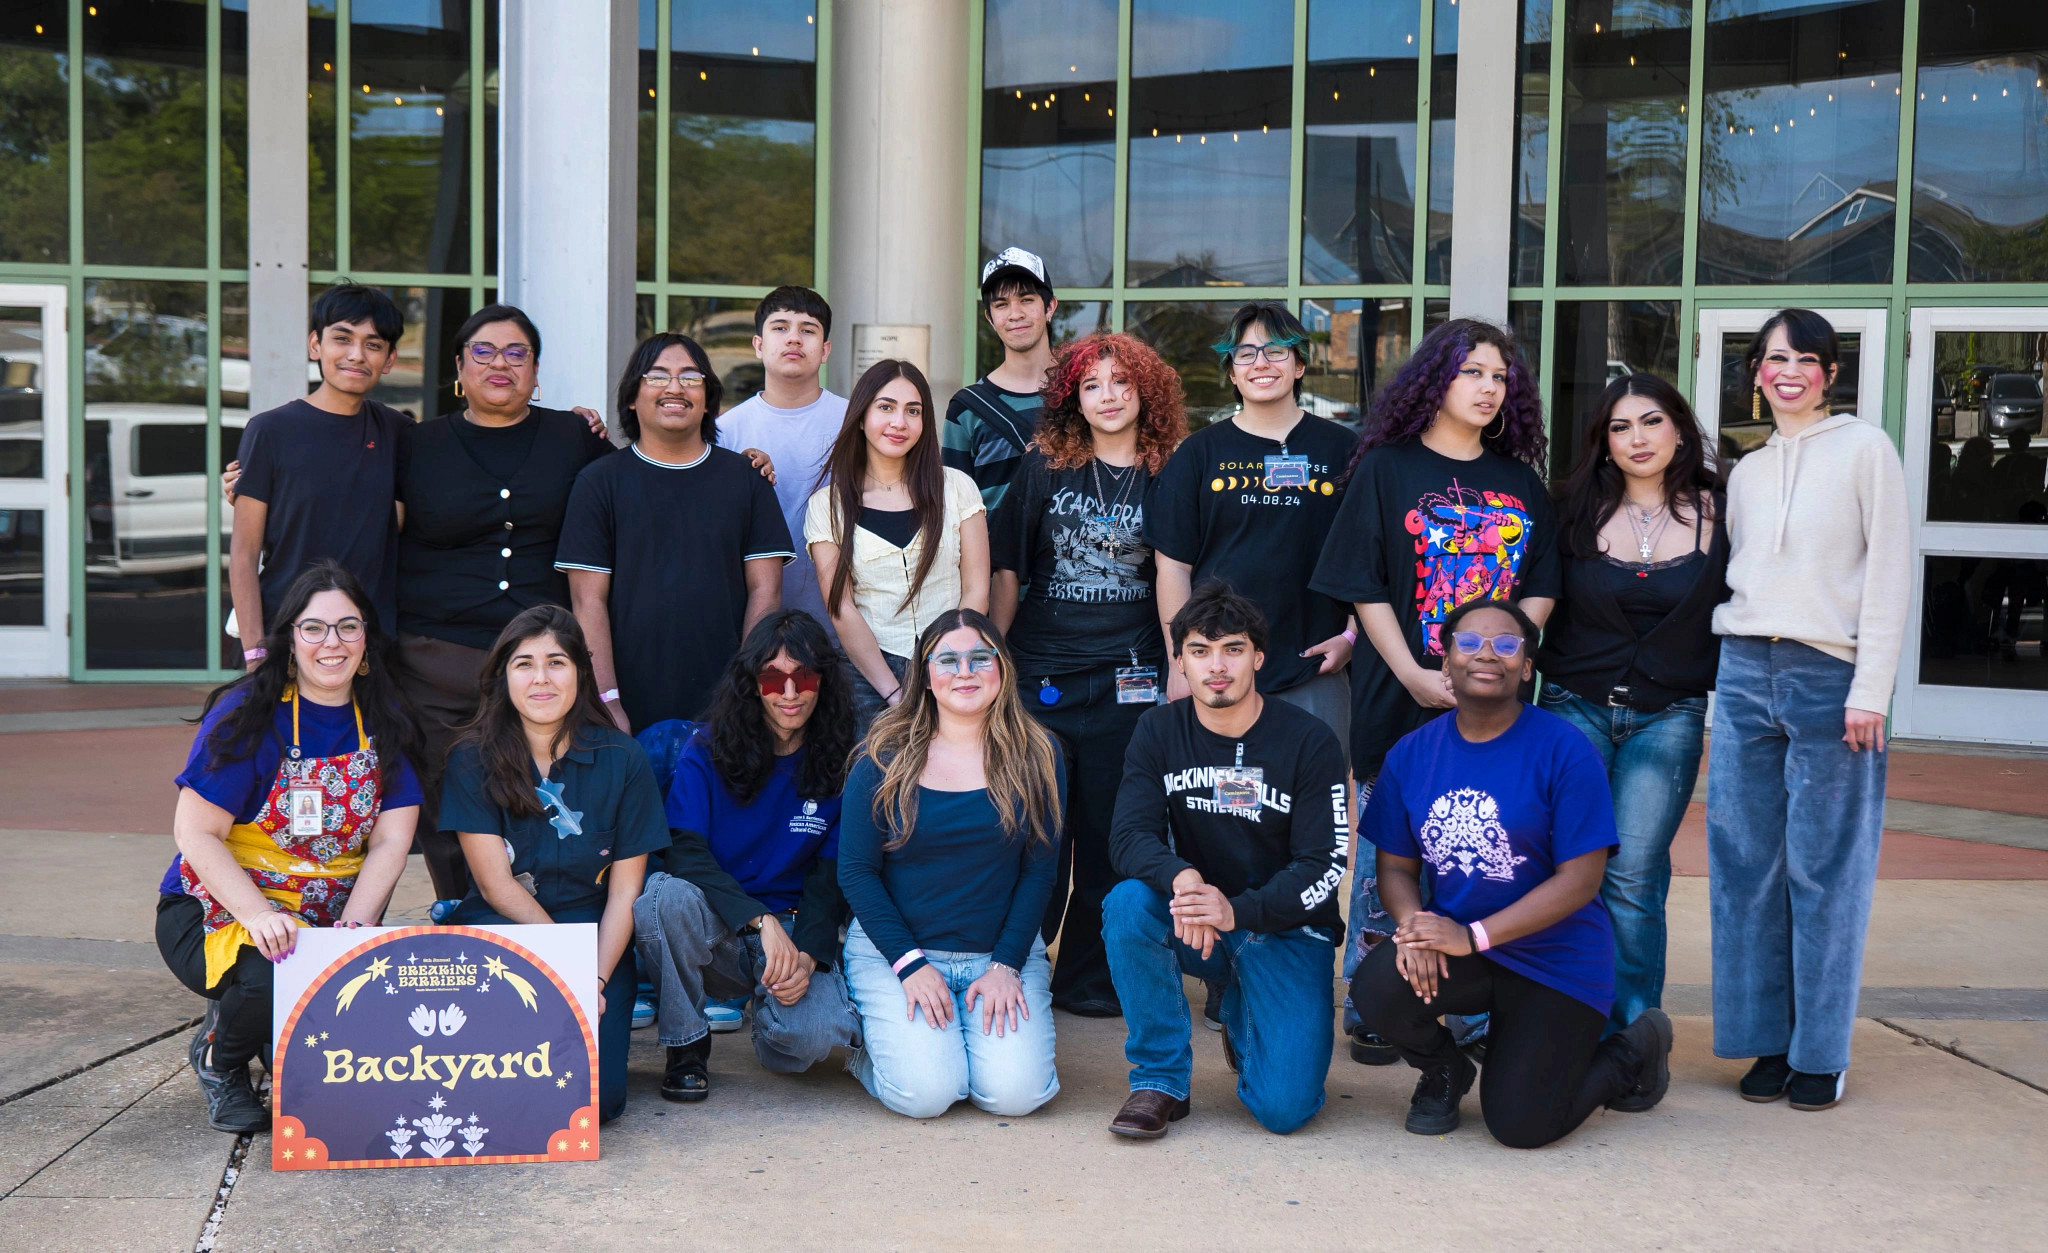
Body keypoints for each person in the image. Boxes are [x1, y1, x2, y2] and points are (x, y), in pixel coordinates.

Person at [1308, 316, 1558, 1065]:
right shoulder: (1386, 469)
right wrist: (1417, 672)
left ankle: (1480, 999)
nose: (1488, 388)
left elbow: (1541, 585)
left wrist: (1501, 666)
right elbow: (1364, 585)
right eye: (1472, 373)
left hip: (1498, 710)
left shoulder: (1519, 481)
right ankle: (1377, 996)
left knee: (1490, 848)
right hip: (1402, 695)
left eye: (1499, 377)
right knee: (1394, 847)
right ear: (1435, 381)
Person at [1351, 598, 1675, 1147]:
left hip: (1554, 960)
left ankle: (1631, 1050)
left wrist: (1470, 935)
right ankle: (1444, 1069)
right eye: (1470, 642)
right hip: (1463, 951)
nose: (1487, 655)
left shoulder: (1565, 749)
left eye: (1507, 644)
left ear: (1527, 666)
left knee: (1521, 1126)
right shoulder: (1412, 754)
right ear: (1446, 658)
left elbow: (1581, 881)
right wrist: (1415, 928)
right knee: (1378, 985)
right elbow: (1396, 869)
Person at [1708, 308, 1909, 1112]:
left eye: (1806, 358)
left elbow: (1892, 570)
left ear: (1829, 371)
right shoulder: (1748, 470)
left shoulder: (1868, 449)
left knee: (1825, 869)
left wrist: (1872, 689)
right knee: (1745, 865)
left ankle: (1820, 1051)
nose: (1788, 370)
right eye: (1773, 357)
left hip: (1831, 674)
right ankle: (1766, 1039)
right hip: (1745, 668)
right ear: (1756, 371)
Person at [156, 561, 423, 1134]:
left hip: (331, 911)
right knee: (270, 972)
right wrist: (257, 914)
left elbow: (392, 838)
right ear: (290, 638)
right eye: (314, 628)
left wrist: (356, 924)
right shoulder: (249, 714)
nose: (333, 643)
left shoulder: (386, 718)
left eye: (349, 627)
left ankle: (265, 1035)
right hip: (221, 907)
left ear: (368, 639)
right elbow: (194, 833)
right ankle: (220, 1061)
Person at [1101, 583, 1348, 1139]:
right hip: (1198, 921)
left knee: (1284, 1110)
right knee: (1129, 905)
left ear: (1258, 657)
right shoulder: (1159, 729)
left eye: (1233, 649)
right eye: (1200, 650)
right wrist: (1183, 878)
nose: (1217, 667)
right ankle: (1160, 1080)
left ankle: (1241, 1009)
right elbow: (1128, 836)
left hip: (1284, 928)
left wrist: (1238, 911)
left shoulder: (1309, 741)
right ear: (1180, 661)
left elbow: (1328, 863)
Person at [385, 303, 614, 900]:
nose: (501, 364)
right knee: (447, 795)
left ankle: (547, 923)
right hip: (437, 657)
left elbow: (637, 492)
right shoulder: (416, 444)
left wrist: (743, 463)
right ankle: (460, 913)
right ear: (460, 367)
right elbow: (350, 505)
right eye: (483, 352)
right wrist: (255, 488)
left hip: (542, 657)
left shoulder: (573, 437)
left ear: (536, 371)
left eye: (518, 353)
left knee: (549, 791)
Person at [990, 332, 1187, 1017]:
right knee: (1035, 830)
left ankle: (1088, 978)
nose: (1108, 396)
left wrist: (1178, 666)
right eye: (1093, 384)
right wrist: (992, 652)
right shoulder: (1044, 464)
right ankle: (1015, 965)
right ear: (1073, 396)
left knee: (1110, 838)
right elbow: (1009, 565)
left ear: (1147, 392)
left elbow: (1174, 574)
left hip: (1130, 682)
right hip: (1040, 677)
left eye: (1122, 383)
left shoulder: (1169, 471)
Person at [1538, 372, 1729, 1039]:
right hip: (1573, 706)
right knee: (1568, 865)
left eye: (1650, 421)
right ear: (1603, 440)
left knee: (1633, 871)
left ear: (1679, 428)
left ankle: (1629, 1035)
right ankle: (1563, 1021)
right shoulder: (1567, 508)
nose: (1637, 438)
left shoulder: (1725, 510)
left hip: (1668, 713)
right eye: (1620, 427)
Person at [439, 605, 671, 1123]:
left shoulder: (624, 759)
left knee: (595, 1101)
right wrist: (561, 974)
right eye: (524, 664)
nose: (540, 678)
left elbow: (623, 895)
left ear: (581, 673)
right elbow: (497, 884)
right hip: (503, 932)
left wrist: (591, 978)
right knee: (481, 1083)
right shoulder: (471, 757)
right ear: (503, 675)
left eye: (556, 662)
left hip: (597, 946)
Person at [837, 610, 1066, 1120]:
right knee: (927, 1096)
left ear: (1002, 668)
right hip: (899, 955)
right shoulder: (883, 755)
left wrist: (1006, 965)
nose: (965, 672)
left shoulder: (1038, 754)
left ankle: (951, 1041)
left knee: (1017, 1096)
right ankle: (870, 1053)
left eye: (979, 658)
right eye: (948, 660)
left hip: (999, 955)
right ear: (925, 674)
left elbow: (1040, 871)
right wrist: (910, 966)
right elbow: (855, 872)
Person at [634, 611, 862, 1102]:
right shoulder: (707, 748)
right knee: (660, 898)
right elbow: (683, 851)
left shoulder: (845, 758)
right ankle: (687, 1045)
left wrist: (810, 956)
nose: (789, 692)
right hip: (718, 921)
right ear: (751, 683)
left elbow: (832, 872)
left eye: (803, 676)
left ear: (822, 680)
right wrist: (759, 920)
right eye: (772, 678)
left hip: (795, 925)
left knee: (810, 1041)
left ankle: (772, 1016)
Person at [556, 333, 794, 733]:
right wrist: (607, 702)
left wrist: (745, 691)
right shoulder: (599, 483)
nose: (674, 388)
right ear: (632, 397)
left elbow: (766, 593)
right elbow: (587, 601)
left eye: (690, 378)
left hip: (726, 706)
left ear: (708, 400)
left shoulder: (746, 480)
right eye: (657, 376)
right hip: (627, 707)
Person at [1147, 301, 1354, 736]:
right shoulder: (1199, 453)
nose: (1261, 363)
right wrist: (1180, 661)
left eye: (1277, 350)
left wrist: (1351, 638)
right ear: (1232, 373)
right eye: (1246, 354)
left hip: (1313, 666)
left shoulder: (1343, 449)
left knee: (1317, 796)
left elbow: (1370, 557)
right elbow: (1173, 566)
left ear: (1299, 366)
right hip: (1217, 670)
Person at [806, 359, 990, 735]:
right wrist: (894, 692)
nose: (899, 422)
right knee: (875, 784)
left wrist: (951, 664)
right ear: (861, 416)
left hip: (954, 668)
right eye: (885, 407)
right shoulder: (827, 505)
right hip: (867, 677)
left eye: (913, 411)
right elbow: (841, 608)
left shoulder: (956, 488)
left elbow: (976, 589)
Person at [228, 283, 407, 652]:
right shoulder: (270, 431)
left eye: (373, 344)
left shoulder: (399, 431)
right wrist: (255, 653)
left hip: (371, 641)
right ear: (316, 345)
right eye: (342, 338)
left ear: (389, 359)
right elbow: (244, 555)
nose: (356, 355)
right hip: (288, 635)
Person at [715, 286, 849, 641]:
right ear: (758, 345)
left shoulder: (856, 421)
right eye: (780, 327)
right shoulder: (725, 431)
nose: (794, 338)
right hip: (754, 622)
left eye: (807, 329)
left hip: (847, 622)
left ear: (825, 350)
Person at [944, 247, 1059, 512]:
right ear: (990, 318)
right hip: (994, 553)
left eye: (1027, 300)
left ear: (1050, 307)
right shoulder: (965, 409)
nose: (1015, 314)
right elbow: (953, 511)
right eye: (1001, 304)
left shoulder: (1086, 393)